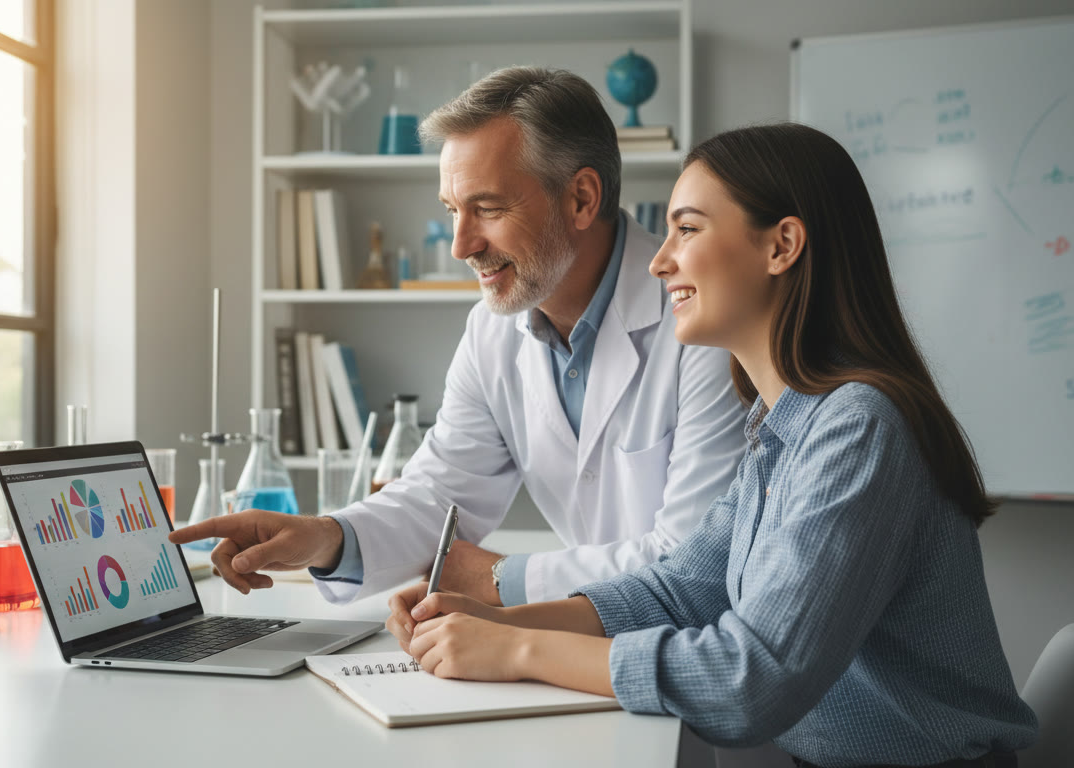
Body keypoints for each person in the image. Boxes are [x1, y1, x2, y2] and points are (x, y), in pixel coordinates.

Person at [393, 123, 1039, 767]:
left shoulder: (859, 429)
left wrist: (515, 651)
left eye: (689, 229)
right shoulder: (781, 423)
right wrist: (496, 622)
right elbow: (680, 592)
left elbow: (750, 682)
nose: (658, 260)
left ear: (782, 245)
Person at [169, 67, 747, 610]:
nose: (460, 245)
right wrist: (324, 538)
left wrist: (500, 580)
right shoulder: (492, 330)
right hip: (595, 641)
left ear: (581, 199)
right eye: (452, 210)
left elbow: (693, 562)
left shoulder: (703, 321)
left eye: (488, 208)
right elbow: (440, 494)